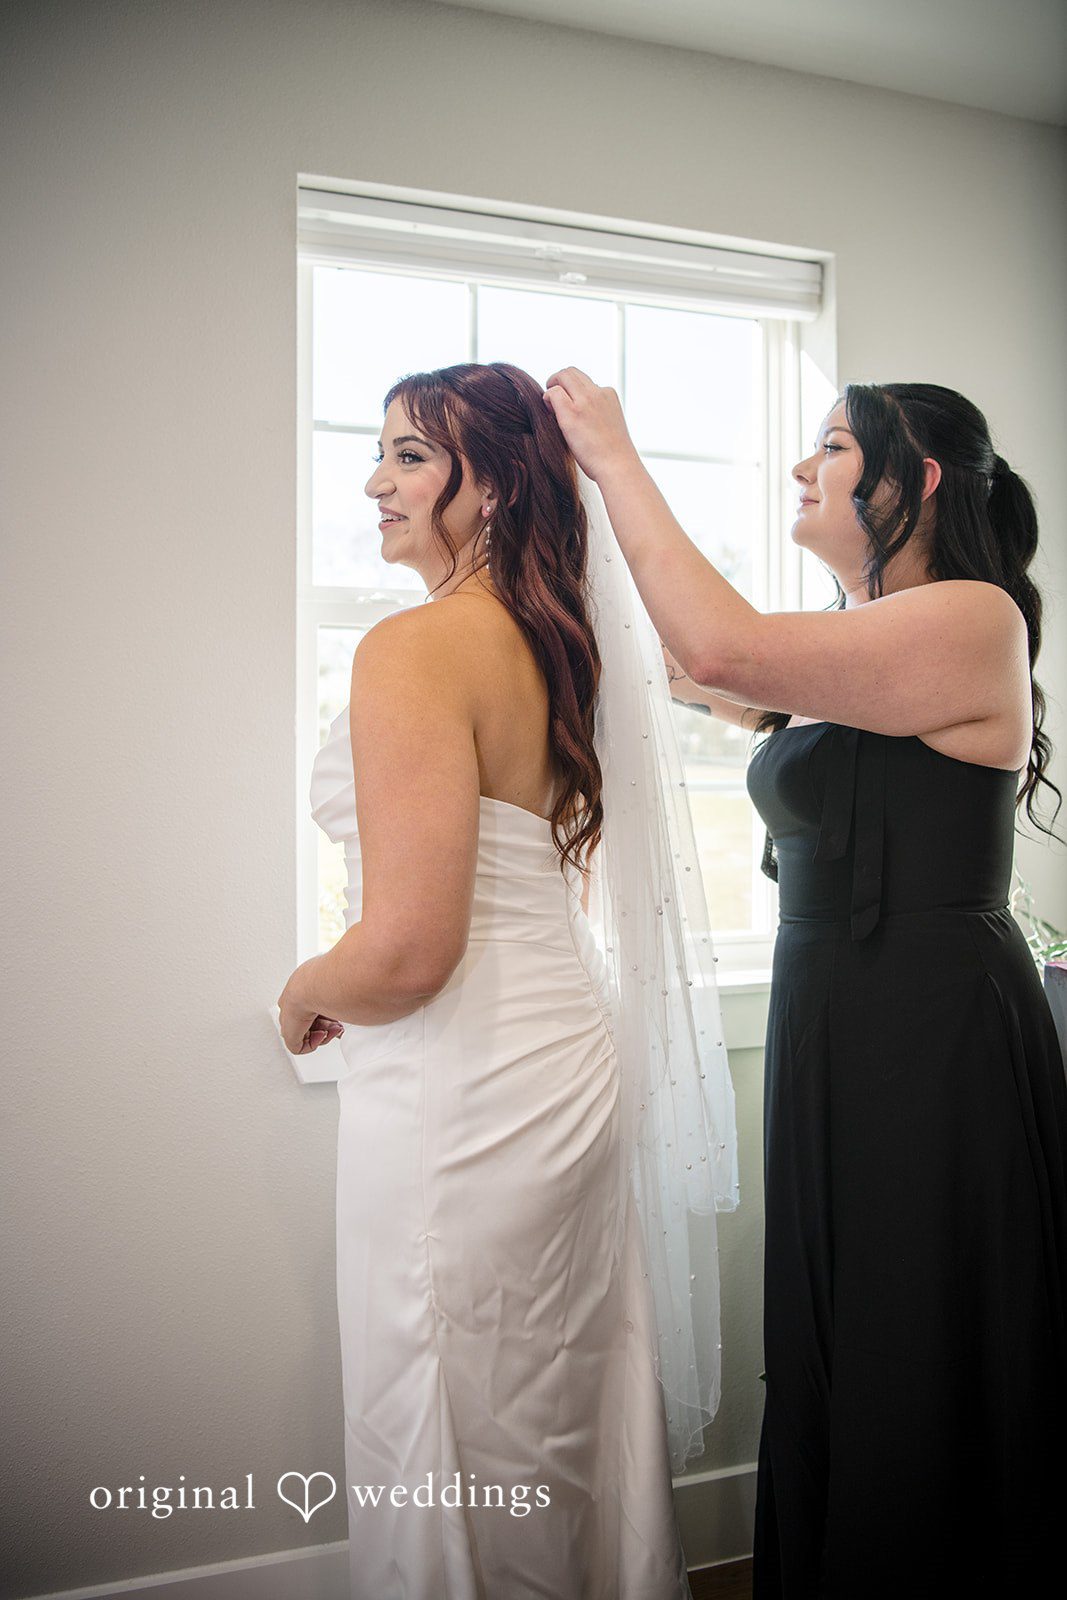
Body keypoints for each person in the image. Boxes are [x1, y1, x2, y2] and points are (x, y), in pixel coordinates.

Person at [541, 368, 1067, 1596]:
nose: (799, 468)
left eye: (829, 446)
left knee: (916, 1321)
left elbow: (720, 644)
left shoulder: (969, 616)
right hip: (829, 1010)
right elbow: (691, 666)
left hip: (933, 1023)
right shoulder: (845, 651)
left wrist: (617, 453)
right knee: (838, 1314)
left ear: (916, 479)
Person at [275, 361, 731, 1599]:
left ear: (491, 489)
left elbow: (408, 952)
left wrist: (300, 986)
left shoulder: (415, 651)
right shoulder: (553, 652)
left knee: (438, 1406)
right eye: (380, 452)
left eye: (411, 456)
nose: (375, 480)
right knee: (556, 1398)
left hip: (457, 1082)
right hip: (558, 1063)